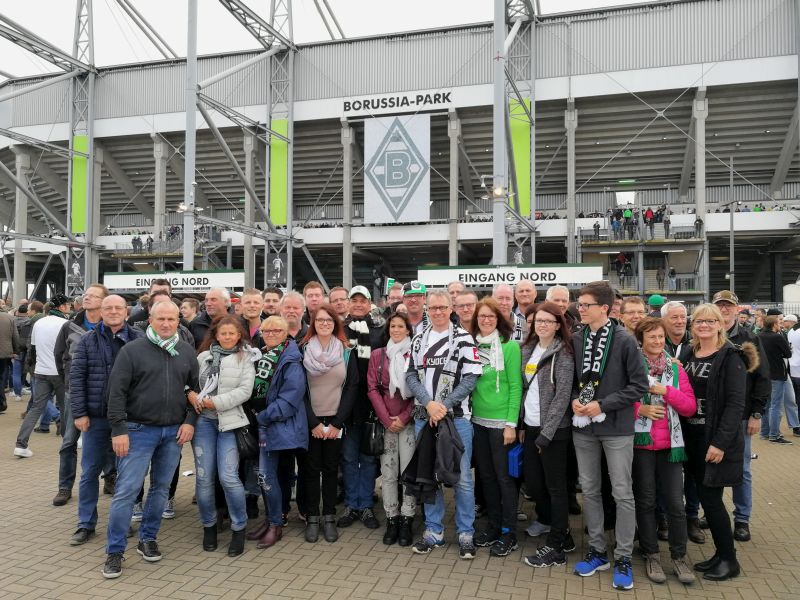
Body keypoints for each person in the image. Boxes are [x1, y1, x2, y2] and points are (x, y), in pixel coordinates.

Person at [102, 301, 198, 579]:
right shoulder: (133, 351)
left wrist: (190, 422)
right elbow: (115, 393)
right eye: (161, 319)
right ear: (150, 320)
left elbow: (195, 391)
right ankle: (115, 551)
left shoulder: (186, 351)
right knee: (127, 491)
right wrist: (118, 429)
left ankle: (148, 538)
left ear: (178, 320)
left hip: (173, 433)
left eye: (171, 319)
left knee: (160, 489)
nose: (166, 324)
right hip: (137, 431)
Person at [571, 281, 649, 591]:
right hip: (585, 428)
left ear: (604, 308)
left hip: (616, 427)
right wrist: (575, 402)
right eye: (580, 304)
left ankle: (624, 556)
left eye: (585, 304)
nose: (580, 309)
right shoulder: (577, 339)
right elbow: (574, 380)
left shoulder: (624, 340)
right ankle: (597, 550)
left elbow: (638, 385)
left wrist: (602, 404)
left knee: (621, 492)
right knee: (589, 490)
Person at [405, 290, 481, 559]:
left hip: (456, 419)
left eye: (442, 307)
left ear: (451, 308)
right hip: (425, 419)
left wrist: (444, 405)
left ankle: (465, 533)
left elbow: (471, 379)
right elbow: (411, 375)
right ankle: (433, 531)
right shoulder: (418, 338)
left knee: (461, 480)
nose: (437, 312)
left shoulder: (463, 339)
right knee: (429, 477)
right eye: (433, 307)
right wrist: (429, 404)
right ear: (427, 309)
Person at [682, 303, 755, 581]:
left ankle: (729, 559)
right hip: (690, 435)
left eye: (710, 321)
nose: (704, 325)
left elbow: (736, 404)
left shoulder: (730, 357)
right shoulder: (689, 353)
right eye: (699, 320)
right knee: (704, 496)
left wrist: (720, 444)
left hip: (712, 439)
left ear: (720, 324)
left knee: (711, 499)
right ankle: (720, 554)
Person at [69, 295, 143, 546]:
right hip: (96, 418)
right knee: (90, 471)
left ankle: (122, 521)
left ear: (127, 312)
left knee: (126, 473)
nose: (113, 311)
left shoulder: (138, 340)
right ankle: (86, 523)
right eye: (108, 307)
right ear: (101, 311)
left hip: (128, 419)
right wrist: (79, 413)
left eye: (118, 308)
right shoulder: (87, 341)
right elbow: (77, 378)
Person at [631, 318, 697, 584]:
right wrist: (640, 409)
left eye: (660, 337)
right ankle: (651, 555)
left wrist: (665, 391)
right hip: (641, 445)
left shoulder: (675, 368)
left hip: (671, 446)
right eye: (652, 337)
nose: (657, 342)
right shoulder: (632, 366)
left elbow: (690, 407)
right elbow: (621, 398)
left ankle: (679, 557)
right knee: (645, 502)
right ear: (641, 340)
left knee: (675, 504)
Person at [192, 315, 258, 557]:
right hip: (204, 426)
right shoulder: (202, 358)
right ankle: (209, 526)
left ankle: (238, 527)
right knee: (203, 478)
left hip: (230, 424)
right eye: (223, 333)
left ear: (239, 335)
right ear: (216, 335)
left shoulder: (246, 358)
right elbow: (189, 383)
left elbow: (245, 391)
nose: (228, 337)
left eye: (232, 333)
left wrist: (213, 402)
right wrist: (192, 395)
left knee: (229, 477)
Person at [519, 302, 576, 569]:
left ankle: (556, 546)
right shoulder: (527, 349)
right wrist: (521, 425)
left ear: (557, 325)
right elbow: (523, 389)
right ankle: (561, 531)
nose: (541, 325)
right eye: (538, 320)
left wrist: (547, 434)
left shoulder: (563, 352)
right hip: (530, 427)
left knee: (556, 488)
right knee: (534, 483)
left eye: (547, 321)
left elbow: (563, 395)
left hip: (552, 431)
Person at [710, 290, 769, 542]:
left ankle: (742, 518)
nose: (724, 309)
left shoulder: (749, 338)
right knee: (711, 464)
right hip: (712, 415)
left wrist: (757, 413)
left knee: (742, 468)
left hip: (742, 414)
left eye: (728, 306)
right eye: (719, 305)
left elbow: (762, 377)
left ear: (736, 310)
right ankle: (712, 512)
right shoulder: (705, 336)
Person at [245, 316, 307, 549]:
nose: (270, 334)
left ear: (286, 333)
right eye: (266, 330)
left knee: (267, 477)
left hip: (275, 424)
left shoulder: (291, 359)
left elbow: (291, 397)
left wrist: (262, 416)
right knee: (268, 477)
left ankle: (275, 526)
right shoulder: (263, 355)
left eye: (276, 330)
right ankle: (272, 519)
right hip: (263, 423)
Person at [468, 298, 522, 557]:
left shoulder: (509, 347)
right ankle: (493, 524)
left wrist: (511, 423)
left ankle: (508, 531)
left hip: (502, 423)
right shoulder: (470, 346)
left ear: (498, 320)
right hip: (477, 420)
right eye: (482, 317)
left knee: (504, 478)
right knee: (486, 477)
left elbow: (515, 386)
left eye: (491, 316)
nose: (486, 320)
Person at [301, 303, 358, 543]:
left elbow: (353, 386)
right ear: (313, 323)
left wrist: (336, 423)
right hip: (310, 420)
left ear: (336, 324)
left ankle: (329, 517)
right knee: (311, 470)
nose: (325, 324)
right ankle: (312, 517)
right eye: (320, 320)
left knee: (332, 470)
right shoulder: (302, 349)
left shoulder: (346, 350)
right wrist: (313, 422)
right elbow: (299, 390)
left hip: (336, 420)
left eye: (329, 320)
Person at [367, 312, 416, 546]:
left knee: (408, 474)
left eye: (401, 326)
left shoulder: (415, 353)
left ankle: (407, 518)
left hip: (408, 423)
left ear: (408, 330)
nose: (396, 330)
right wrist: (387, 419)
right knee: (388, 474)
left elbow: (419, 390)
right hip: (386, 422)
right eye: (393, 326)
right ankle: (392, 517)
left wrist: (404, 418)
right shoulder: (378, 355)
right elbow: (372, 388)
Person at [339, 286, 385, 530]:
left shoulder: (380, 330)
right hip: (346, 404)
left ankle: (365, 504)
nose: (358, 304)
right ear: (348, 303)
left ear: (369, 304)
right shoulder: (341, 330)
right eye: (353, 300)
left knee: (367, 457)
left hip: (370, 403)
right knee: (348, 457)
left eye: (362, 301)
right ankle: (351, 504)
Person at [14, 293, 72, 458]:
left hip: (40, 371)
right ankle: (67, 444)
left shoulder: (38, 323)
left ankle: (21, 444)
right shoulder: (66, 324)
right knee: (65, 408)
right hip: (59, 373)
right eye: (67, 305)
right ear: (61, 307)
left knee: (36, 408)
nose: (69, 307)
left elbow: (32, 348)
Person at [759, 315, 797, 444]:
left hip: (764, 375)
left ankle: (764, 433)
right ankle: (774, 435)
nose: (780, 323)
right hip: (777, 374)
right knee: (775, 406)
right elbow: (788, 354)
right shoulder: (777, 337)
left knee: (767, 405)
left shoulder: (759, 336)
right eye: (779, 322)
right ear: (774, 324)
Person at [0, 306, 20, 414]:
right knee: (1, 378)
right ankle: (1, 402)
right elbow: (15, 336)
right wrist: (16, 351)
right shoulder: (9, 318)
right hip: (4, 353)